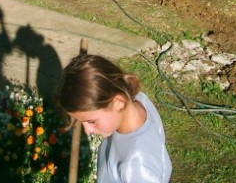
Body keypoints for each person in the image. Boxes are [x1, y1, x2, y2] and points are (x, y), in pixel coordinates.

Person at [58, 54, 172, 183]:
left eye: (91, 121)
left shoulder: (136, 166)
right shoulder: (138, 100)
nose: (87, 131)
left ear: (119, 102)